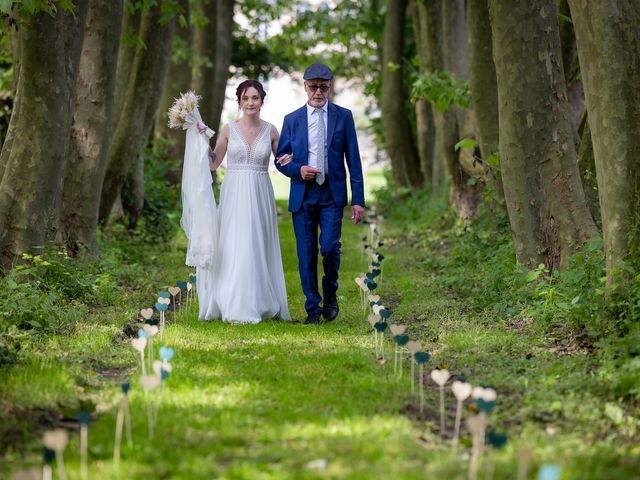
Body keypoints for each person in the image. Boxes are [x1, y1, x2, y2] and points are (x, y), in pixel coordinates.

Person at [275, 63, 365, 325]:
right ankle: (313, 308)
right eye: (313, 87)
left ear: (330, 88)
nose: (318, 92)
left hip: (331, 194)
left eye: (323, 87)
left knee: (329, 248)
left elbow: (354, 161)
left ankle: (330, 294)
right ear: (305, 87)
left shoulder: (343, 116)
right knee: (306, 253)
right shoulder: (292, 120)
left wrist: (357, 199)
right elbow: (280, 160)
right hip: (303, 195)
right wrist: (297, 169)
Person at [197, 79, 291, 323]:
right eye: (246, 98)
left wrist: (292, 159)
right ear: (239, 102)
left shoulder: (271, 131)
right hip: (234, 191)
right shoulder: (229, 129)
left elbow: (283, 162)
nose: (250, 102)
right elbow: (213, 162)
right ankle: (231, 300)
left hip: (260, 191)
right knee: (234, 243)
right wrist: (200, 141)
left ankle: (260, 300)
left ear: (262, 101)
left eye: (255, 98)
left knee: (257, 241)